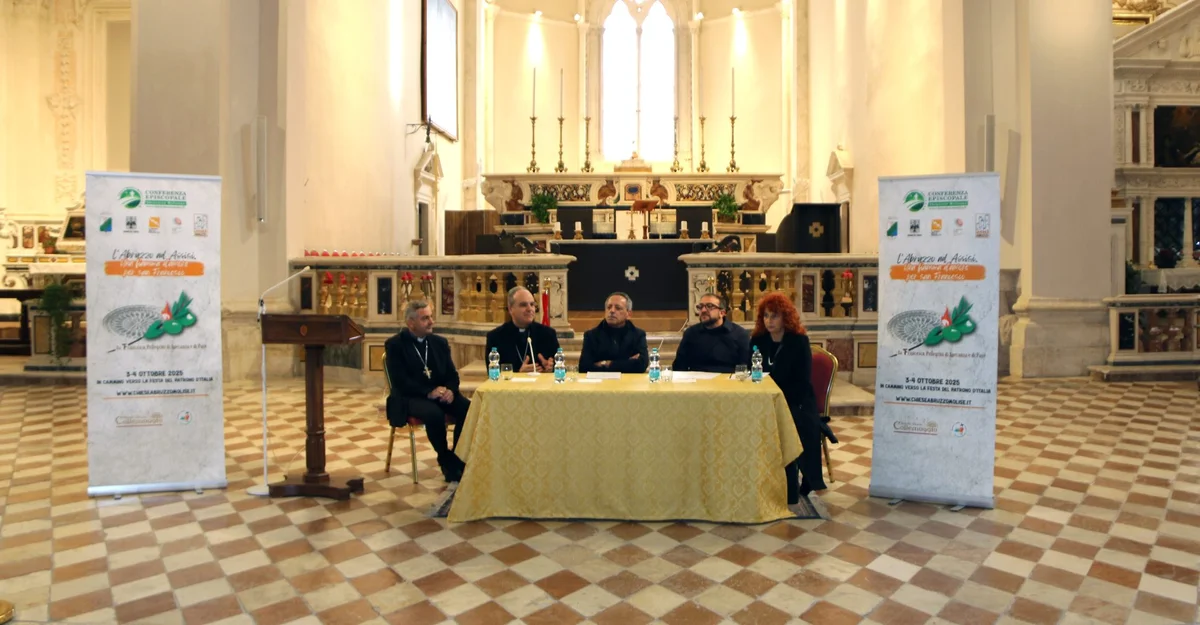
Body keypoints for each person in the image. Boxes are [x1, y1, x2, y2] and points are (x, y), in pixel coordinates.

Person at [750, 291, 837, 504]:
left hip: (795, 400)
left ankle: (794, 482)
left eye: (775, 316)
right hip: (764, 397)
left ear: (786, 318)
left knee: (796, 423)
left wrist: (779, 396)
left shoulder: (798, 341)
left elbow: (801, 380)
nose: (769, 321)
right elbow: (752, 370)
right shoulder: (758, 340)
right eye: (766, 316)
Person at [385, 300, 469, 482]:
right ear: (411, 323)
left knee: (468, 408)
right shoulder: (395, 345)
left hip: (440, 393)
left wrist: (450, 390)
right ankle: (445, 458)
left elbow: (452, 374)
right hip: (411, 397)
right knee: (434, 413)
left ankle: (457, 455)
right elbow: (400, 381)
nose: (431, 322)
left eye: (431, 317)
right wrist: (428, 392)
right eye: (425, 318)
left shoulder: (439, 342)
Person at [485, 286, 560, 373]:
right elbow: (492, 374)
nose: (529, 309)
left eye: (532, 304)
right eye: (523, 305)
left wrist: (552, 368)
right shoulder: (495, 337)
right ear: (510, 309)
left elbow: (561, 369)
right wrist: (519, 373)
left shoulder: (548, 334)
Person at [672, 292, 750, 373]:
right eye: (700, 307)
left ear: (722, 313)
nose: (703, 310)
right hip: (698, 382)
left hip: (728, 382)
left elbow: (746, 367)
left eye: (709, 306)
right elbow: (679, 366)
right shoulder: (691, 333)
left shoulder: (739, 334)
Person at [579, 292, 648, 374]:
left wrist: (606, 363)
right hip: (601, 384)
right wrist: (627, 363)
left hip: (629, 384)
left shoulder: (638, 335)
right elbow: (584, 367)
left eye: (618, 308)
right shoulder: (591, 335)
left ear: (628, 314)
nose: (612, 311)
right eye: (609, 307)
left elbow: (641, 365)